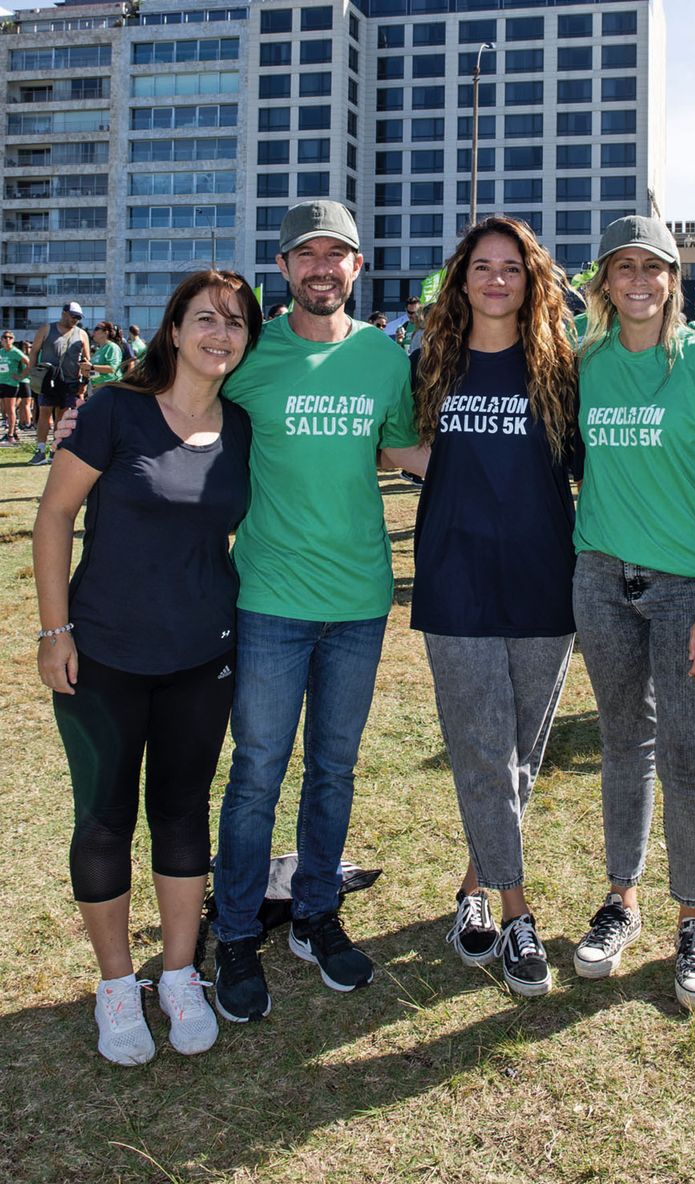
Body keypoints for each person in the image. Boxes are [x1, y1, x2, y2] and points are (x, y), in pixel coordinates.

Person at [33, 270, 262, 1065]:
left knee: (181, 810)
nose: (220, 333)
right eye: (205, 318)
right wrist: (53, 629)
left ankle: (176, 975)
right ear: (173, 329)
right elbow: (55, 515)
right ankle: (115, 986)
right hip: (102, 655)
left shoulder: (242, 426)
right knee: (103, 816)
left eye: (235, 322)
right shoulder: (117, 412)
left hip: (204, 656)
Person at [208, 200, 428, 1022]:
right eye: (308, 255)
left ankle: (312, 914)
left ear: (358, 269)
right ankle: (233, 931)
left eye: (338, 255)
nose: (323, 268)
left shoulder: (382, 356)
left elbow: (399, 446)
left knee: (334, 768)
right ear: (284, 269)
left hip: (360, 600)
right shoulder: (250, 352)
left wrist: (500, 475)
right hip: (269, 598)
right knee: (258, 770)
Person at [571, 216, 695, 1012]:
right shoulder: (585, 365)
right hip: (603, 580)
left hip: (690, 590)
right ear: (605, 282)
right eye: (624, 269)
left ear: (675, 281)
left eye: (654, 268)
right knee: (621, 744)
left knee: (690, 756)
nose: (639, 282)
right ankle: (622, 899)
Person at [411, 217, 577, 996]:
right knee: (483, 747)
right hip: (455, 581)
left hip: (545, 580)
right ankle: (516, 913)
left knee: (520, 754)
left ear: (531, 280)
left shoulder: (560, 368)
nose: (497, 279)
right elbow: (393, 445)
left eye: (512, 267)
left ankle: (471, 889)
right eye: (483, 266)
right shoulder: (430, 364)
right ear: (462, 279)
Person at [21, 302, 90, 465]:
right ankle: (40, 450)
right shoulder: (46, 329)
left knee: (62, 416)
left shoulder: (81, 334)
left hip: (69, 381)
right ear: (64, 313)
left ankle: (55, 450)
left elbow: (87, 360)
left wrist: (84, 382)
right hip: (48, 379)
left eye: (78, 318)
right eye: (73, 316)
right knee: (44, 412)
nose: (75, 320)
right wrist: (32, 372)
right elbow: (34, 351)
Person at [0, 331, 29, 445]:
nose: (7, 339)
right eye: (4, 337)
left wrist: (21, 376)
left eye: (10, 338)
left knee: (10, 410)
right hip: (1, 382)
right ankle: (13, 433)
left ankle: (10, 435)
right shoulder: (1, 352)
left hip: (11, 384)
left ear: (13, 340)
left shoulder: (15, 352)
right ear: (1, 340)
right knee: (4, 410)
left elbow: (29, 363)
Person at [80, 321, 123, 391]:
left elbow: (112, 369)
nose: (93, 331)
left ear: (106, 332)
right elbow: (99, 374)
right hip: (97, 388)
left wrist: (91, 367)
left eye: (97, 328)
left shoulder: (112, 347)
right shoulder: (99, 350)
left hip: (110, 388)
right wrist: (86, 371)